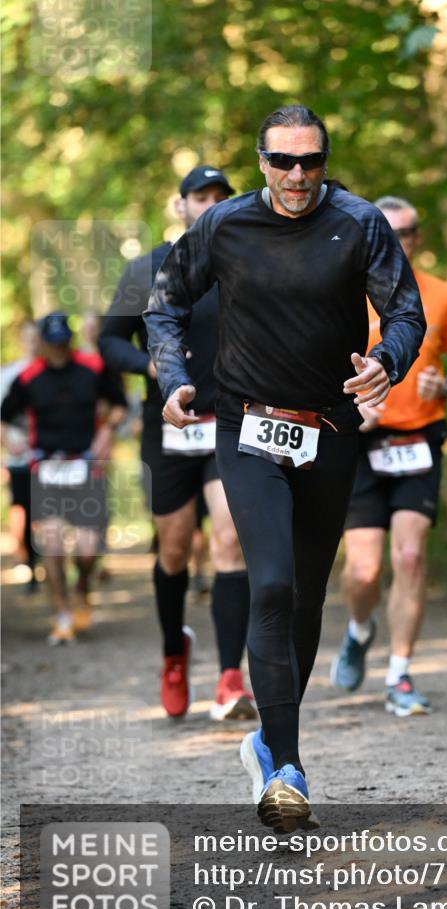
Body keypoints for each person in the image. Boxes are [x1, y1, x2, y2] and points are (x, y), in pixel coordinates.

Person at [144, 104, 425, 831]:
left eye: (311, 161)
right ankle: (287, 770)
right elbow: (164, 304)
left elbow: (406, 314)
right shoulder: (223, 225)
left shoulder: (359, 223)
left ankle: (268, 742)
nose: (297, 175)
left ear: (325, 161)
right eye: (282, 161)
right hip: (248, 427)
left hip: (329, 431)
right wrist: (174, 376)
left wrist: (386, 362)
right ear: (262, 162)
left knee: (304, 597)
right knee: (269, 582)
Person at [99, 165, 256, 722]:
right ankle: (173, 653)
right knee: (174, 548)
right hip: (167, 426)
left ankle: (231, 678)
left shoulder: (244, 265)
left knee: (230, 540)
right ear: (180, 205)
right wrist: (151, 365)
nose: (210, 204)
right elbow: (108, 342)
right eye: (200, 196)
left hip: (229, 422)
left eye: (220, 197)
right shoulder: (147, 268)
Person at [331, 195, 447, 715]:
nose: (399, 241)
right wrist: (350, 408)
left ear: (418, 239)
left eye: (408, 232)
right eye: (387, 232)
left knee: (411, 557)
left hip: (420, 439)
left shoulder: (441, 294)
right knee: (363, 571)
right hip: (360, 444)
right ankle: (359, 629)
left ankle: (399, 674)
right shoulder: (341, 292)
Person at [0, 312, 127, 642]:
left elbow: (119, 404)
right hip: (46, 469)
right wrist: (8, 440)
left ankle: (83, 586)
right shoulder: (29, 377)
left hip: (85, 466)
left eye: (62, 344)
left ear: (69, 341)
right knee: (52, 543)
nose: (58, 350)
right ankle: (62, 614)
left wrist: (107, 433)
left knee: (86, 548)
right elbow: (3, 415)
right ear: (42, 344)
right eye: (52, 344)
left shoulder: (93, 368)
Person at [0, 320, 40, 592]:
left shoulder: (52, 372)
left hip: (48, 454)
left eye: (36, 337)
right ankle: (29, 563)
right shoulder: (9, 374)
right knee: (23, 509)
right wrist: (6, 443)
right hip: (18, 455)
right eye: (28, 337)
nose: (33, 342)